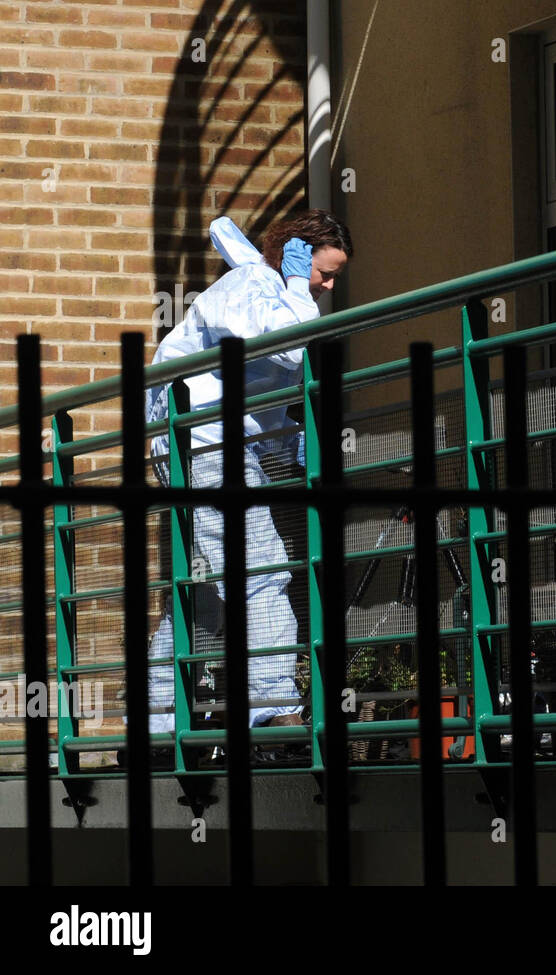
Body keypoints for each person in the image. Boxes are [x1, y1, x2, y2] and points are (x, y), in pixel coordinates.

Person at [142, 210, 352, 740]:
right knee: (262, 569)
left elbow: (263, 392)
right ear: (297, 256)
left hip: (207, 440)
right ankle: (271, 702)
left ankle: (157, 719)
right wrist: (296, 287)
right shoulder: (251, 284)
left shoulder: (272, 292)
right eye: (324, 273)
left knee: (209, 592)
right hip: (206, 442)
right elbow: (283, 346)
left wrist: (296, 445)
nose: (328, 286)